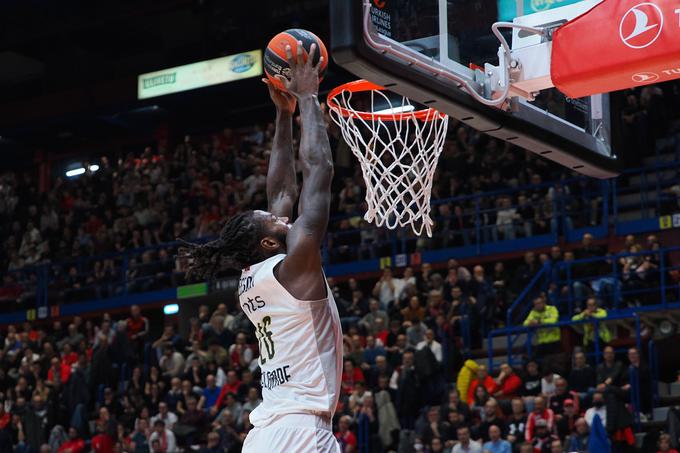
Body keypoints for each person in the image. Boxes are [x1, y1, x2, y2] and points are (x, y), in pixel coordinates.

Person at [179, 41, 341, 453]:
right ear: (269, 241)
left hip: (265, 435)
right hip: (301, 433)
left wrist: (283, 115)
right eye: (275, 221)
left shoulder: (255, 278)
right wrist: (307, 96)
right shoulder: (296, 268)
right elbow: (319, 170)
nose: (283, 215)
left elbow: (283, 191)